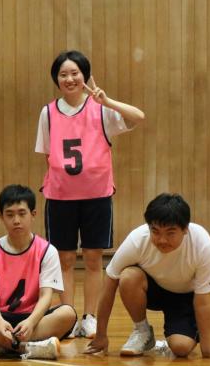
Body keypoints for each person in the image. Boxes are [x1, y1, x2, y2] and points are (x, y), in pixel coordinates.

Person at [35, 50, 144, 339]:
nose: (69, 79)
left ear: (85, 76)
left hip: (96, 196)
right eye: (63, 74)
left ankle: (90, 316)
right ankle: (68, 316)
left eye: (75, 73)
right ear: (56, 79)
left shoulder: (100, 108)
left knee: (94, 259)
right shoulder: (48, 113)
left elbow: (138, 117)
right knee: (65, 260)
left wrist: (107, 101)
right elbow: (47, 154)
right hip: (60, 197)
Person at [84, 193, 210, 358]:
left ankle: (167, 342)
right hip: (152, 290)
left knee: (181, 348)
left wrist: (208, 349)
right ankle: (142, 332)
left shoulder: (201, 244)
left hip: (184, 297)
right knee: (128, 276)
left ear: (185, 229)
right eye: (156, 231)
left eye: (170, 233)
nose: (162, 240)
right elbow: (109, 284)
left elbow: (203, 301)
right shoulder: (138, 239)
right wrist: (101, 335)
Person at [0, 185, 77, 360]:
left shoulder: (47, 251)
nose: (16, 220)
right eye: (10, 215)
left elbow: (46, 296)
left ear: (33, 214)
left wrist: (31, 322)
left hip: (34, 319)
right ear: (1, 217)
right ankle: (30, 348)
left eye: (22, 213)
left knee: (68, 313)